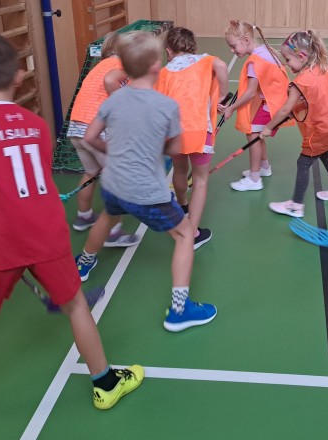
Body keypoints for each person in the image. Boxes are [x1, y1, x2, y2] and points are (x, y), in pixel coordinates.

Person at [0, 33, 143, 426]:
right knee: (76, 306)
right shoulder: (36, 125)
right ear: (18, 77)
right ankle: (106, 383)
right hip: (46, 235)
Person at [76, 31, 217, 332]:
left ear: (125, 66)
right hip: (146, 190)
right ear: (156, 66)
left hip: (114, 182)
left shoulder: (116, 99)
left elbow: (90, 136)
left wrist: (113, 151)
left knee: (108, 216)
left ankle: (84, 264)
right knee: (185, 235)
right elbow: (175, 148)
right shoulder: (166, 106)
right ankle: (179, 310)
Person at [261, 30, 328, 218]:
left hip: (324, 127)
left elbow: (285, 110)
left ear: (301, 56)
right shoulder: (322, 66)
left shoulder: (302, 81)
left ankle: (295, 205)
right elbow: (317, 97)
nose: (287, 64)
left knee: (303, 162)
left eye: (288, 60)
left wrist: (268, 127)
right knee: (326, 155)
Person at [155, 26, 229, 249]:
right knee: (200, 180)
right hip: (199, 131)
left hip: (174, 134)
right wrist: (223, 94)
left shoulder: (164, 72)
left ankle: (182, 206)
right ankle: (192, 233)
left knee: (179, 171)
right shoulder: (206, 60)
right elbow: (222, 66)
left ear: (168, 50)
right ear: (193, 46)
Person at [66, 31, 136, 247]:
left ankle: (84, 215)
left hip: (76, 128)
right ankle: (113, 232)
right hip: (96, 130)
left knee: (91, 172)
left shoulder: (98, 67)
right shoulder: (122, 69)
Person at [218, 19, 292, 191]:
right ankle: (264, 167)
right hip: (277, 102)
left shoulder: (255, 61)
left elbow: (250, 92)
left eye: (233, 46)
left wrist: (231, 108)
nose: (232, 50)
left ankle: (254, 178)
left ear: (246, 40)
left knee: (252, 135)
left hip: (273, 105)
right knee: (257, 135)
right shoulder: (265, 50)